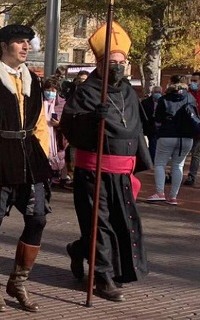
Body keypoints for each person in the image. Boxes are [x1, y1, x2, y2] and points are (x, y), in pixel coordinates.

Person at [61, 22, 153, 302]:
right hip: (94, 170)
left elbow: (135, 127)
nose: (117, 68)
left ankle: (80, 250)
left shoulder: (127, 92)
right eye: (112, 63)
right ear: (99, 63)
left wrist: (138, 161)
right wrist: (91, 119)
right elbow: (69, 126)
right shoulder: (87, 92)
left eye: (121, 63)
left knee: (119, 223)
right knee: (99, 227)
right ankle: (101, 277)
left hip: (121, 172)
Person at [0, 24, 51, 312]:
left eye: (27, 42)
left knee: (38, 219)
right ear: (4, 46)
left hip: (30, 159)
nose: (26, 47)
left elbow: (40, 123)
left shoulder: (34, 81)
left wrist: (45, 156)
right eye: (19, 42)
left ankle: (18, 281)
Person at [146, 78, 198, 205]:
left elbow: (157, 118)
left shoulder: (165, 99)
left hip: (167, 135)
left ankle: (160, 192)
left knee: (160, 163)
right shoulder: (190, 98)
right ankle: (173, 196)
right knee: (178, 166)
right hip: (186, 137)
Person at [43, 78, 67, 185]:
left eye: (53, 91)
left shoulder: (61, 105)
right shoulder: (38, 103)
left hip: (56, 139)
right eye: (48, 90)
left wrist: (59, 124)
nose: (50, 93)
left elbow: (67, 123)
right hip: (42, 137)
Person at [141, 86, 163, 162]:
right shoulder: (145, 102)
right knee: (153, 144)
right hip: (150, 127)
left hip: (161, 127)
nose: (157, 94)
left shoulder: (164, 101)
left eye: (159, 92)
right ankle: (152, 160)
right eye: (155, 92)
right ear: (152, 93)